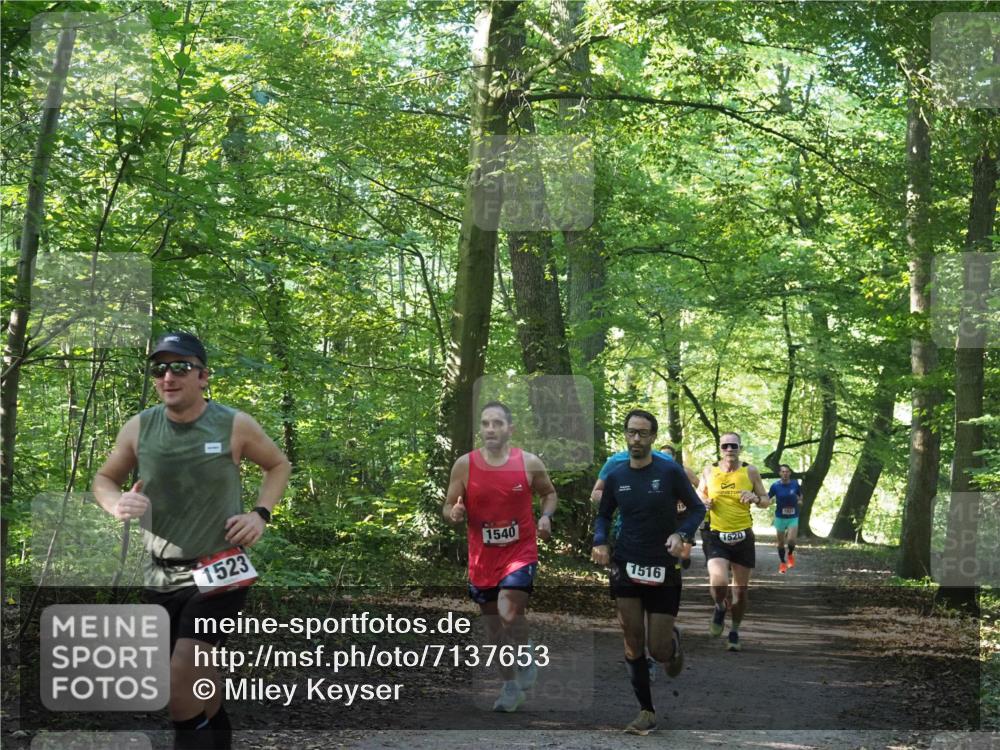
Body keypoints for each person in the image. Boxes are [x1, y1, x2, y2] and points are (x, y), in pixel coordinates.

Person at [93, 332, 291, 750]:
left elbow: (277, 466)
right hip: (161, 572)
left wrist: (260, 514)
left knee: (179, 675)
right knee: (200, 675)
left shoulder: (233, 424)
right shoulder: (140, 427)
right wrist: (116, 503)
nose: (169, 376)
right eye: (160, 368)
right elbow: (105, 479)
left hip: (221, 567)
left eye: (180, 366)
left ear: (203, 376)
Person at [591, 410, 705, 735]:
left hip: (663, 566)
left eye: (643, 433)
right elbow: (603, 515)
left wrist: (681, 535)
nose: (636, 439)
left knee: (657, 650)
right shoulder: (616, 476)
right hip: (626, 563)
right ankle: (646, 711)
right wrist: (601, 541)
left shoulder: (669, 472)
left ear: (653, 437)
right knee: (631, 640)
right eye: (631, 432)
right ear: (625, 435)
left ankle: (672, 643)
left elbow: (697, 508)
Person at [443, 401, 558, 713]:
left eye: (497, 423)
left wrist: (546, 517)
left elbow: (549, 493)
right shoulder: (465, 465)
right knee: (495, 629)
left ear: (510, 429)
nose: (490, 429)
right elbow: (448, 504)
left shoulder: (529, 462)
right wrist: (454, 512)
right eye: (485, 424)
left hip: (520, 552)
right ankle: (509, 687)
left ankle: (525, 654)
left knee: (509, 608)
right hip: (482, 559)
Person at [697, 432, 769, 653]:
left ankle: (735, 630)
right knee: (718, 583)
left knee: (741, 591)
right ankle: (719, 606)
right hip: (716, 534)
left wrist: (755, 498)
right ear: (720, 448)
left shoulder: (750, 471)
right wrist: (704, 502)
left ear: (740, 448)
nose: (730, 449)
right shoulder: (710, 470)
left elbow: (765, 500)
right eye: (726, 446)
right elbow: (698, 494)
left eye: (734, 446)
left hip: (742, 536)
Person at [769, 464, 803, 573]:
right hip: (780, 517)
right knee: (780, 542)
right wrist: (768, 502)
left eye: (787, 471)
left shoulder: (795, 484)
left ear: (790, 473)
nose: (785, 473)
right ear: (779, 473)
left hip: (793, 516)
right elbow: (768, 497)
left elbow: (800, 495)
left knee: (791, 540)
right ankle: (783, 563)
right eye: (783, 472)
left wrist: (800, 501)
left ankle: (790, 554)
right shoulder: (775, 486)